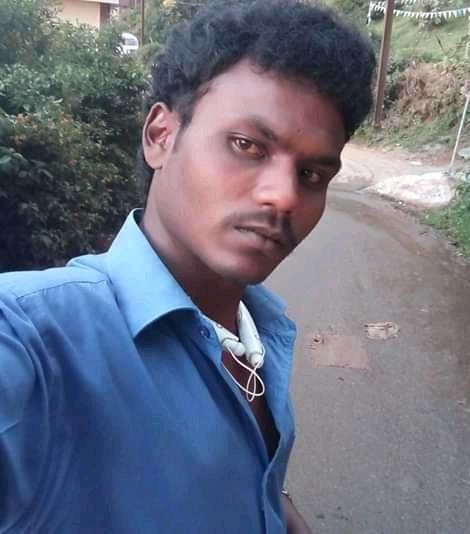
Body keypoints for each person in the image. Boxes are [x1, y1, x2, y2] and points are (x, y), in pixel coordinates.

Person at [0, 1, 375, 532]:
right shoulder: (36, 338)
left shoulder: (258, 330)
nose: (284, 196)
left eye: (312, 175)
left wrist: (276, 508)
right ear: (160, 136)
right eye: (247, 145)